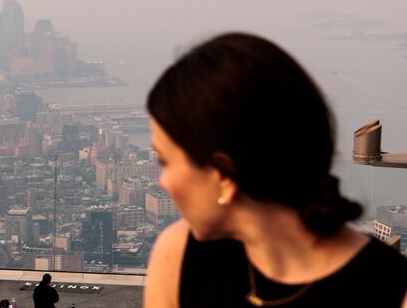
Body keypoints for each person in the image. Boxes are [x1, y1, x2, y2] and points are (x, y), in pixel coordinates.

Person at [143, 32, 407, 308]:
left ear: (222, 174)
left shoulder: (395, 292)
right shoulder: (178, 257)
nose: (163, 182)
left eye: (165, 163)